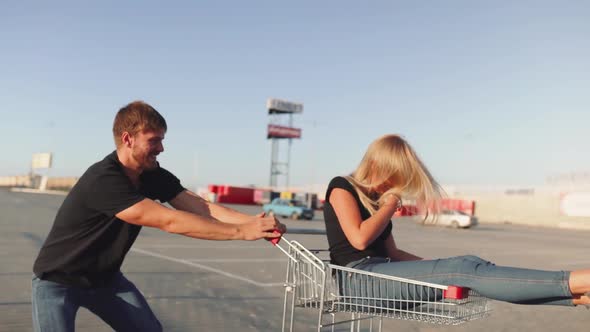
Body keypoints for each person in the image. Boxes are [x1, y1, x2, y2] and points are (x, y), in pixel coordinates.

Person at [31, 101, 287, 332]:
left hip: (105, 280)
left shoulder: (152, 174)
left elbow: (200, 206)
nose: (162, 148)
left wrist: (255, 223)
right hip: (57, 281)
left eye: (162, 140)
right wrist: (242, 232)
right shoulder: (104, 179)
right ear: (128, 139)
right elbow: (169, 220)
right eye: (154, 140)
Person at [323, 134, 589, 307]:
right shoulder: (342, 186)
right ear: (378, 166)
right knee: (461, 269)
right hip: (357, 278)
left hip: (379, 273)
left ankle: (578, 297)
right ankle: (578, 280)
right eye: (396, 178)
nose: (397, 187)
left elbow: (393, 253)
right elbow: (359, 239)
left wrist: (437, 267)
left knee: (467, 269)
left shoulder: (378, 202)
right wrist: (390, 205)